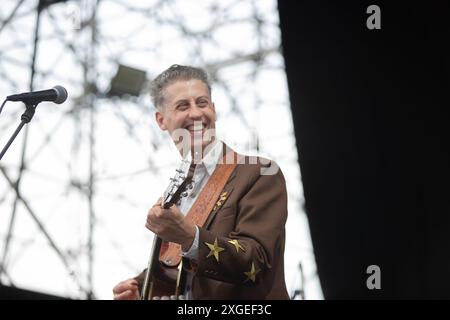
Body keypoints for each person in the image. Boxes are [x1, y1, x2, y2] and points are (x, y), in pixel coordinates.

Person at [112, 64, 289, 300]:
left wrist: (189, 236)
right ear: (161, 120)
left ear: (213, 109)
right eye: (183, 105)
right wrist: (142, 288)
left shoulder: (260, 172)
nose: (196, 113)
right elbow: (175, 268)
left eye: (202, 103)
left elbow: (255, 262)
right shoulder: (176, 190)